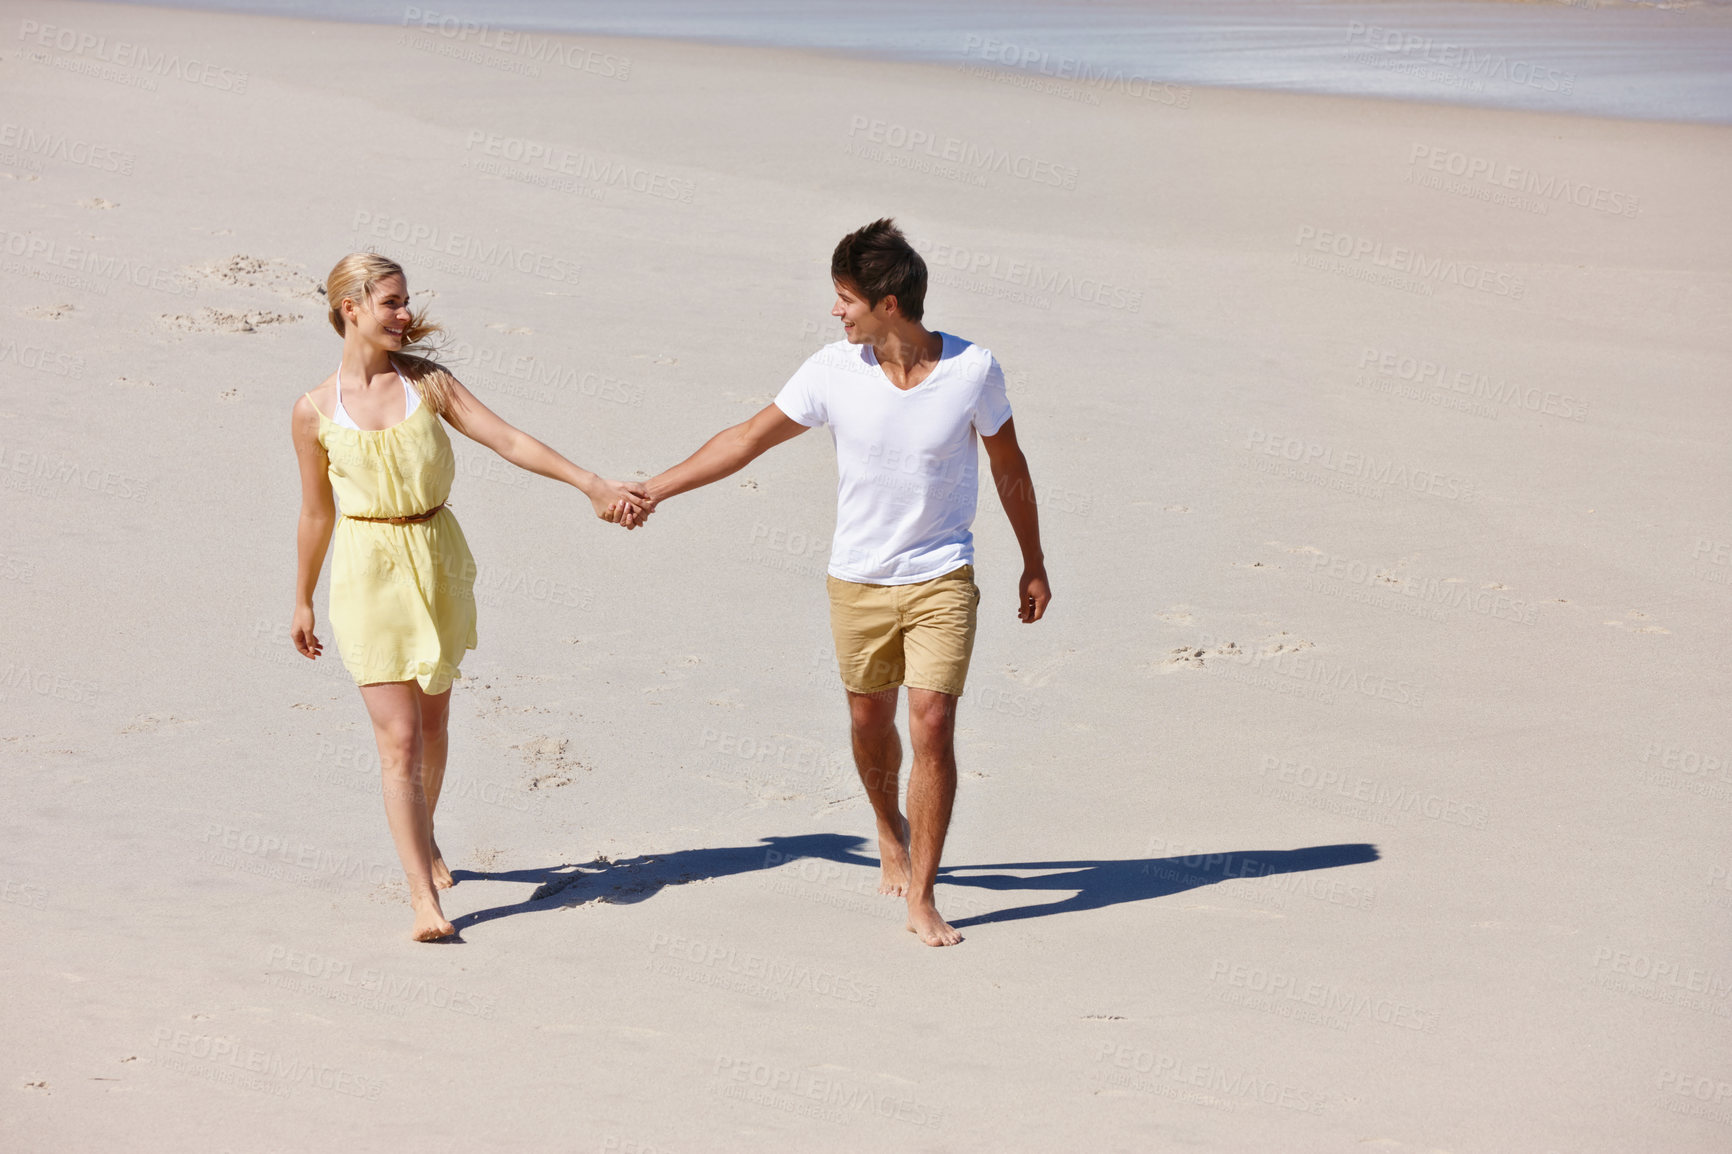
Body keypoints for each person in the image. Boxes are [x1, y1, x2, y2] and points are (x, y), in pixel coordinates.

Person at [636, 219, 1051, 946]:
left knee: (931, 722)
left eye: (845, 297)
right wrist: (655, 488)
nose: (837, 311)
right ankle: (888, 832)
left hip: (940, 575)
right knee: (869, 723)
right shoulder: (832, 371)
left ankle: (922, 893)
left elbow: (1009, 467)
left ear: (888, 302)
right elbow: (746, 438)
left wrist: (1034, 560)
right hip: (857, 579)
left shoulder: (974, 371)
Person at [288, 252, 650, 941]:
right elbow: (315, 514)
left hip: (437, 559)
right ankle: (424, 898)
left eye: (404, 301)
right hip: (367, 572)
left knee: (433, 723)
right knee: (397, 740)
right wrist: (302, 598)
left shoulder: (429, 385)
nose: (404, 314)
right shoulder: (311, 413)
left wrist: (591, 483)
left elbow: (509, 439)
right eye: (390, 301)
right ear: (350, 310)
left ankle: (424, 834)